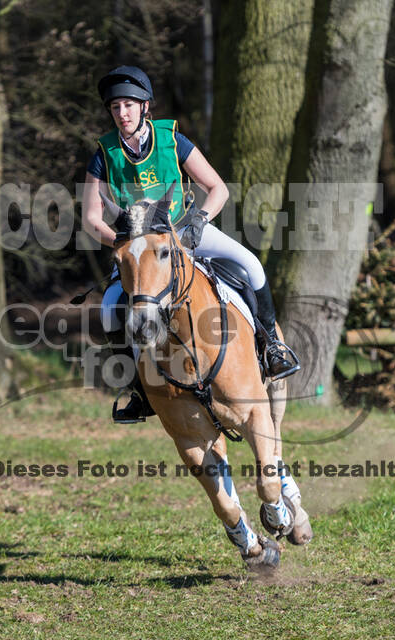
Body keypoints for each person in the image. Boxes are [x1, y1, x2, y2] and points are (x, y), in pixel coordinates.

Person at [83, 65, 299, 422]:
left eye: (129, 105)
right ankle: (139, 388)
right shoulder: (103, 154)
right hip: (139, 252)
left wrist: (200, 219)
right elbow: (92, 218)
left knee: (252, 265)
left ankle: (273, 348)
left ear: (145, 106)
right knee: (109, 306)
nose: (122, 113)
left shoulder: (172, 140)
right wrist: (121, 242)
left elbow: (218, 189)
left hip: (185, 232)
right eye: (116, 107)